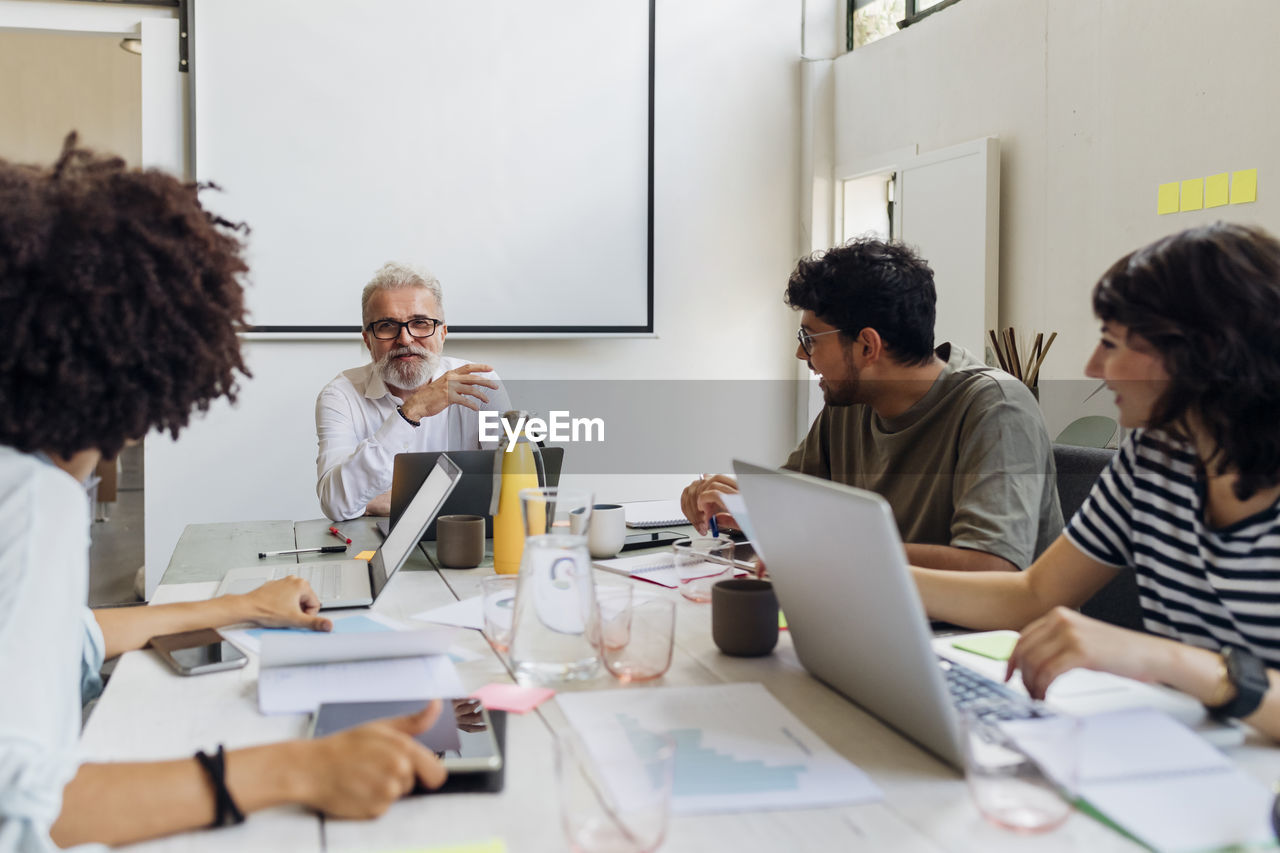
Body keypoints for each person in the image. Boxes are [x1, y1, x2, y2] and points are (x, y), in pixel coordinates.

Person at [0, 137, 448, 851]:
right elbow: (20, 812)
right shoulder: (29, 495)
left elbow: (66, 637)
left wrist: (239, 605)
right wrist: (297, 767)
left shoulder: (21, 472)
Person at [913, 222, 1280, 739]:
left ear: (1201, 352)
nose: (1092, 368)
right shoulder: (1153, 454)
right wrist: (857, 571)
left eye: (1111, 343)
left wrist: (1177, 662)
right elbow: (1034, 594)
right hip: (1192, 754)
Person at [682, 237, 1061, 572]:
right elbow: (793, 506)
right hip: (884, 619)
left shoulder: (996, 408)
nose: (801, 353)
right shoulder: (848, 402)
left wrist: (830, 550)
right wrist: (744, 509)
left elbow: (990, 566)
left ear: (867, 346)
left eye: (810, 338)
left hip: (992, 644)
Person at [315, 262, 512, 521]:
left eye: (420, 323)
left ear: (442, 333)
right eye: (387, 325)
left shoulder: (480, 383)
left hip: (467, 538)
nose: (405, 339)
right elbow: (337, 503)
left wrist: (387, 500)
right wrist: (411, 412)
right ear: (368, 339)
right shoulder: (340, 396)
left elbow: (510, 491)